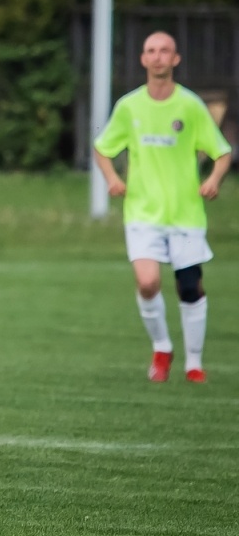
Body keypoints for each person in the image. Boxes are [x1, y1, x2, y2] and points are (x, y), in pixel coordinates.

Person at [94, 31, 231, 383]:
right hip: (142, 212)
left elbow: (222, 151)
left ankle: (194, 362)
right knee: (148, 281)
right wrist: (112, 178)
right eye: (151, 51)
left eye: (164, 51)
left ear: (175, 59)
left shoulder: (189, 106)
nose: (157, 57)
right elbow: (102, 147)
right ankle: (162, 347)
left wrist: (214, 179)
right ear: (143, 59)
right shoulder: (129, 106)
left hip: (186, 213)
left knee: (188, 288)